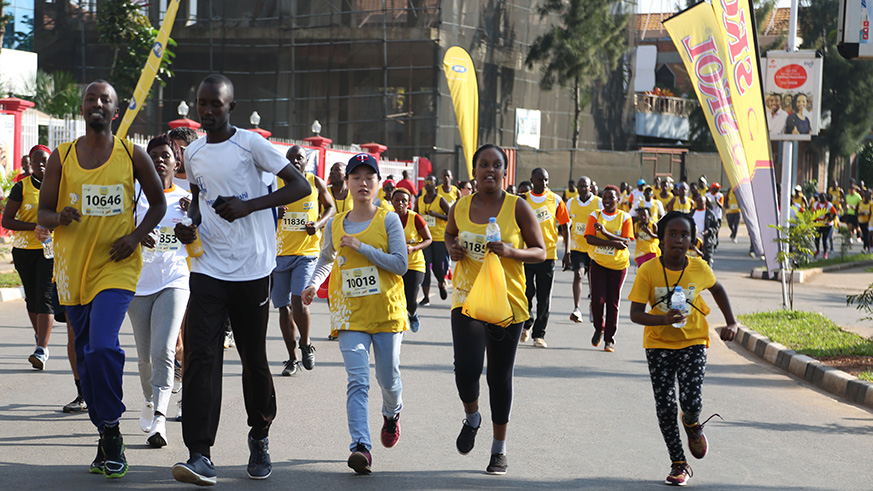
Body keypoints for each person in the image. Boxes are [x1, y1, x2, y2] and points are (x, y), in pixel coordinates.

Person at [170, 74, 309, 485]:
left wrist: (251, 206)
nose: (208, 111)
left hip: (253, 270)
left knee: (253, 358)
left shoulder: (251, 144)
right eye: (202, 104)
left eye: (216, 104)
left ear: (231, 106)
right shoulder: (192, 153)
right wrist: (189, 226)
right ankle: (199, 453)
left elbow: (298, 186)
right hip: (209, 268)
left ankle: (260, 434)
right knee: (201, 358)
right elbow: (198, 203)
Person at [38, 80, 168, 479]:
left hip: (117, 265)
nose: (98, 104)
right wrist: (59, 218)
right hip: (72, 272)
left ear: (116, 110)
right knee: (85, 356)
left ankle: (111, 430)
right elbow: (42, 213)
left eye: (105, 100)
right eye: (91, 99)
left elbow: (159, 202)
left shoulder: (132, 154)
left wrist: (133, 236)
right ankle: (105, 431)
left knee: (100, 347)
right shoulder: (62, 157)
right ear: (82, 109)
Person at [301, 153, 409, 475]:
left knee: (387, 379)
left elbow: (401, 265)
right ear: (346, 184)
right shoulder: (336, 223)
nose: (363, 183)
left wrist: (363, 248)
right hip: (350, 315)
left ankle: (392, 414)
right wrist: (312, 284)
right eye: (356, 177)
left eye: (369, 177)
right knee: (358, 380)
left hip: (387, 313)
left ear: (378, 184)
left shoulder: (388, 219)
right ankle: (361, 447)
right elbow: (324, 260)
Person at [444, 143, 545, 476]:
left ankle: (499, 450)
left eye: (496, 165)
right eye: (483, 164)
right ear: (474, 171)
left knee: (499, 378)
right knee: (466, 370)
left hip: (508, 302)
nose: (489, 170)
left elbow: (541, 252)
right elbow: (449, 235)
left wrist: (512, 252)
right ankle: (472, 417)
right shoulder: (459, 207)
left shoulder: (518, 207)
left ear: (505, 172)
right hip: (466, 297)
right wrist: (453, 249)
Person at [628, 210, 739, 486]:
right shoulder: (648, 271)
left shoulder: (699, 267)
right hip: (658, 345)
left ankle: (692, 424)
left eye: (685, 235)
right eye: (673, 234)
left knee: (691, 402)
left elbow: (718, 290)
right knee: (665, 406)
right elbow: (635, 314)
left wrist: (732, 323)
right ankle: (678, 463)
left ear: (693, 240)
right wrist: (662, 319)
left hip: (694, 343)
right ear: (661, 239)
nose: (679, 240)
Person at [128, 134, 192, 448]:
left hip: (175, 280)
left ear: (176, 161)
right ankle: (149, 400)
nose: (160, 159)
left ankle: (160, 420)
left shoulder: (186, 197)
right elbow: (118, 231)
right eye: (153, 154)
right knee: (144, 357)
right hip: (138, 283)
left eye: (166, 154)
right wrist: (137, 235)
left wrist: (193, 220)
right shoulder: (134, 196)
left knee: (164, 349)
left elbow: (200, 236)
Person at [272, 145, 335, 376]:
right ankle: (291, 359)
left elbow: (331, 207)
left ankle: (306, 344)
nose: (295, 161)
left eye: (299, 158)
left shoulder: (314, 181)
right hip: (278, 255)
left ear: (306, 161)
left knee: (299, 301)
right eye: (291, 158)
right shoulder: (275, 182)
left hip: (306, 253)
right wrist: (273, 212)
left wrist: (318, 224)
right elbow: (259, 210)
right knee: (283, 308)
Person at [3, 145, 55, 370]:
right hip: (24, 251)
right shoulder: (21, 188)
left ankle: (42, 349)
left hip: (50, 251)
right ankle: (39, 337)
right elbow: (6, 221)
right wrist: (34, 225)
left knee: (44, 296)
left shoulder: (60, 187)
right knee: (31, 299)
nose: (40, 164)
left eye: (45, 160)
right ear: (30, 164)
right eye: (36, 160)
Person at [520, 167, 570, 348]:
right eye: (540, 180)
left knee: (544, 297)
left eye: (547, 180)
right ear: (532, 180)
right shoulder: (523, 199)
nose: (544, 183)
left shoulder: (556, 200)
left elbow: (565, 226)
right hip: (527, 253)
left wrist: (568, 251)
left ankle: (539, 335)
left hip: (548, 255)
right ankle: (527, 323)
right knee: (526, 293)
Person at [584, 185, 634, 352]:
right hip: (598, 263)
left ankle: (609, 339)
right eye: (604, 198)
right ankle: (599, 328)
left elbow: (625, 242)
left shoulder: (625, 217)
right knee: (597, 301)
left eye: (610, 198)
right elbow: (590, 239)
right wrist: (613, 242)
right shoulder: (595, 215)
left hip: (618, 266)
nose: (606, 201)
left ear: (617, 200)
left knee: (613, 302)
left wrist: (605, 233)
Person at [391, 186, 432, 332]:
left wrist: (413, 248)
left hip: (414, 264)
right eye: (397, 200)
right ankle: (398, 325)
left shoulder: (416, 218)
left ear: (409, 203)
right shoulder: (387, 217)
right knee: (394, 297)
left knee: (410, 298)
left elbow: (428, 239)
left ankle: (413, 314)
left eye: (404, 201)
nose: (400, 203)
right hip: (394, 264)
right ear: (392, 201)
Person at [566, 176, 601, 323]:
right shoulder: (571, 202)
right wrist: (567, 249)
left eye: (585, 186)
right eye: (580, 186)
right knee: (579, 274)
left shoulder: (598, 202)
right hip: (577, 247)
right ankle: (577, 308)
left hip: (593, 247)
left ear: (590, 187)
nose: (582, 189)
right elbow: (566, 224)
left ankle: (593, 306)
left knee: (592, 279)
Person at [417, 175, 450, 306]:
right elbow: (414, 216)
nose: (428, 184)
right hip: (425, 238)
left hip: (439, 238)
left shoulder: (440, 200)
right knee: (426, 265)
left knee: (437, 265)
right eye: (426, 182)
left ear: (435, 185)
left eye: (431, 182)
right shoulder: (419, 200)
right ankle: (426, 297)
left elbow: (451, 216)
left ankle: (441, 283)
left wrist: (437, 215)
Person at [691, 195, 718, 266]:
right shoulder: (692, 213)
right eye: (698, 201)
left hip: (706, 243)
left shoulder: (710, 214)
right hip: (695, 244)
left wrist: (708, 231)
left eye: (701, 201)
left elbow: (716, 227)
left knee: (706, 264)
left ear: (705, 202)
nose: (699, 203)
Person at [812, 193, 838, 260]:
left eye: (823, 197)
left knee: (824, 239)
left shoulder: (829, 205)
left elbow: (835, 213)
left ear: (825, 198)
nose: (822, 199)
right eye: (821, 197)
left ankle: (825, 252)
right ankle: (817, 250)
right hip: (819, 224)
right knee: (817, 238)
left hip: (827, 225)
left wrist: (831, 219)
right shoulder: (816, 204)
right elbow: (813, 213)